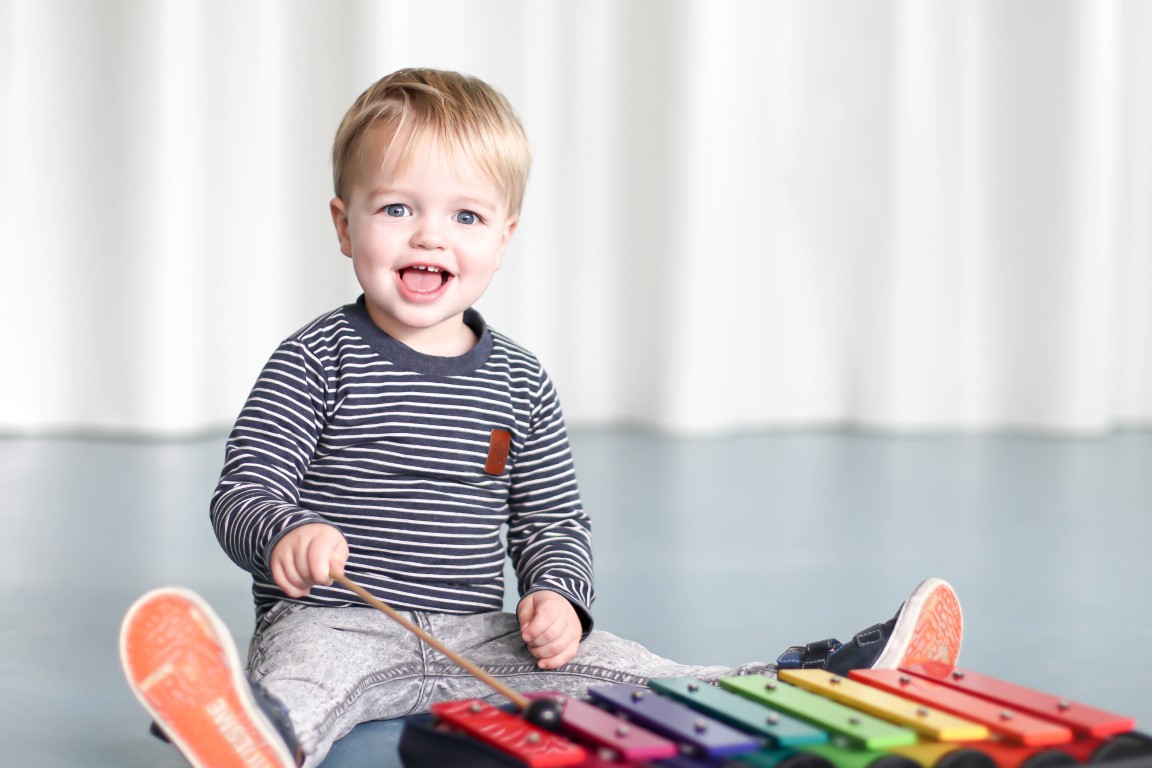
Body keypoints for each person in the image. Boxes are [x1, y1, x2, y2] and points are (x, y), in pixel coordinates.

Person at [119, 68, 963, 768]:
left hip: (479, 636)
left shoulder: (519, 380)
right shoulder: (315, 359)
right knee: (304, 686)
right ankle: (248, 730)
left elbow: (552, 517)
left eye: (465, 216)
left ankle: (817, 681)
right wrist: (283, 535)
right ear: (345, 225)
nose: (430, 237)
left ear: (504, 236)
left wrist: (560, 594)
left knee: (640, 673)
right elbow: (243, 490)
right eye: (396, 209)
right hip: (336, 623)